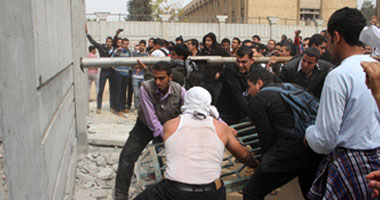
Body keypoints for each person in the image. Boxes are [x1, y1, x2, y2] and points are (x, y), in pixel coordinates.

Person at [304, 7, 380, 199]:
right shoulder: (376, 67)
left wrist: (308, 133)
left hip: (351, 166)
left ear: (335, 37)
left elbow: (325, 140)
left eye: (327, 39)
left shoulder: (338, 75)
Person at [134, 87, 258, 200]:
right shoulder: (221, 128)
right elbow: (243, 155)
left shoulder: (170, 126)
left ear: (185, 102)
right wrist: (255, 164)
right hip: (212, 192)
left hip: (177, 192)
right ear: (208, 103)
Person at [243, 69, 321, 200]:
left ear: (259, 83)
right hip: (311, 147)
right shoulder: (292, 87)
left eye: (250, 87)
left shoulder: (258, 100)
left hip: (288, 152)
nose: (249, 92)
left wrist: (264, 165)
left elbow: (266, 137)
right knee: (310, 193)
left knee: (251, 192)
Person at [114, 61, 186, 200]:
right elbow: (151, 119)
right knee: (127, 157)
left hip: (170, 128)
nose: (158, 82)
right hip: (145, 126)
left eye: (162, 78)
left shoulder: (180, 91)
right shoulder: (145, 88)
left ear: (170, 77)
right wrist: (166, 139)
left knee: (175, 160)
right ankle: (121, 194)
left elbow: (188, 111)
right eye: (155, 78)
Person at [216, 46, 265, 125]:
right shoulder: (231, 71)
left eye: (244, 62)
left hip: (244, 113)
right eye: (238, 62)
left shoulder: (256, 70)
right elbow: (237, 96)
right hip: (228, 114)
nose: (240, 65)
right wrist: (255, 115)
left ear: (252, 60)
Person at [86, 25, 122, 114]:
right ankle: (99, 107)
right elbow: (93, 42)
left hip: (111, 71)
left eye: (110, 41)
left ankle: (112, 107)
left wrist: (117, 34)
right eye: (107, 41)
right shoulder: (102, 47)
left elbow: (115, 41)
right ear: (105, 42)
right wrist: (87, 34)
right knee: (100, 90)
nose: (109, 43)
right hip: (104, 72)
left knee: (112, 90)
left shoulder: (113, 48)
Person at [199, 32, 230, 104]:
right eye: (206, 40)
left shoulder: (219, 50)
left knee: (216, 99)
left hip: (217, 80)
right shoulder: (203, 51)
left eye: (209, 40)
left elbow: (229, 61)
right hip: (205, 79)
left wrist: (220, 72)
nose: (207, 42)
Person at [131, 40, 149, 109]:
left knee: (143, 93)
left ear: (145, 46)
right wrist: (141, 66)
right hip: (135, 75)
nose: (141, 47)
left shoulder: (147, 54)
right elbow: (131, 65)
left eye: (143, 45)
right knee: (136, 94)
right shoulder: (134, 53)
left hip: (143, 76)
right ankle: (137, 108)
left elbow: (147, 65)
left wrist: (139, 66)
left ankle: (143, 108)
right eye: (140, 45)